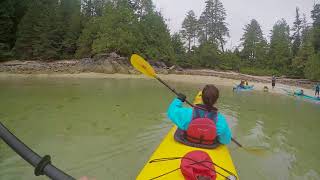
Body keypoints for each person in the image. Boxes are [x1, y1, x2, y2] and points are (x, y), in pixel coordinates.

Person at [167, 85, 232, 148]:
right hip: (209, 145)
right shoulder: (221, 120)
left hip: (188, 141)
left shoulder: (188, 113)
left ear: (201, 98)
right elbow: (225, 141)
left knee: (180, 127)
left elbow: (171, 111)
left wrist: (179, 100)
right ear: (216, 101)